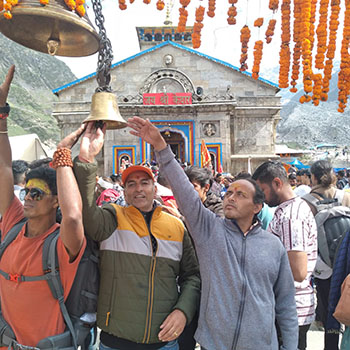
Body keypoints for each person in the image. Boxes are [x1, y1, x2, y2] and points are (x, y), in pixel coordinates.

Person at [127, 116, 298, 350]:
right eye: (229, 192)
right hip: (213, 344)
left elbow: (286, 304)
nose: (231, 197)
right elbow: (185, 191)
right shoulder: (209, 230)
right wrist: (161, 147)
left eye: (241, 195)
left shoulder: (273, 246)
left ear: (257, 207)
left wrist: (290, 347)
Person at [73, 122, 200, 350]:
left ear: (155, 187)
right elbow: (86, 213)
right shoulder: (112, 218)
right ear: (124, 191)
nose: (138, 189)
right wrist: (87, 159)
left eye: (144, 183)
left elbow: (192, 276)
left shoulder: (176, 226)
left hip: (164, 341)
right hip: (116, 340)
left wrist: (183, 311)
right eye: (131, 184)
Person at [0, 65, 86, 348]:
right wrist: (2, 114)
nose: (27, 197)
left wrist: (62, 155)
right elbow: (3, 168)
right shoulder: (13, 224)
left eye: (37, 193)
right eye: (26, 191)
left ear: (55, 201)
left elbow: (74, 217)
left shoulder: (61, 243)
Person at [252, 161, 317, 350]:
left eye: (262, 190)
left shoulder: (291, 217)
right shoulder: (288, 211)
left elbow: (298, 271)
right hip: (288, 307)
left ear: (277, 183)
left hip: (291, 309)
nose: (260, 197)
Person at [306, 160, 350, 350]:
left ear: (313, 177)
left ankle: (330, 345)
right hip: (346, 262)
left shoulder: (307, 202)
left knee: (329, 311)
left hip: (323, 267)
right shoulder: (345, 196)